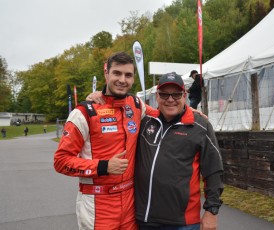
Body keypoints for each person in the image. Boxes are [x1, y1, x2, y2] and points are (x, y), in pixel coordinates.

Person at [54, 52, 154, 230]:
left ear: (133, 79)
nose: (122, 80)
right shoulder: (84, 112)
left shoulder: (136, 104)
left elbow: (166, 114)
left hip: (131, 203)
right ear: (106, 73)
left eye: (128, 75)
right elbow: (61, 162)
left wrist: (190, 112)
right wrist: (103, 166)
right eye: (117, 73)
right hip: (97, 205)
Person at [135, 72, 223, 230]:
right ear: (157, 96)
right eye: (164, 94)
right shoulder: (145, 122)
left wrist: (212, 211)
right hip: (144, 219)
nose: (170, 99)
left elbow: (214, 171)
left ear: (184, 95)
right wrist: (100, 94)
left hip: (183, 223)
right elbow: (122, 103)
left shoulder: (200, 126)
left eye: (176, 94)